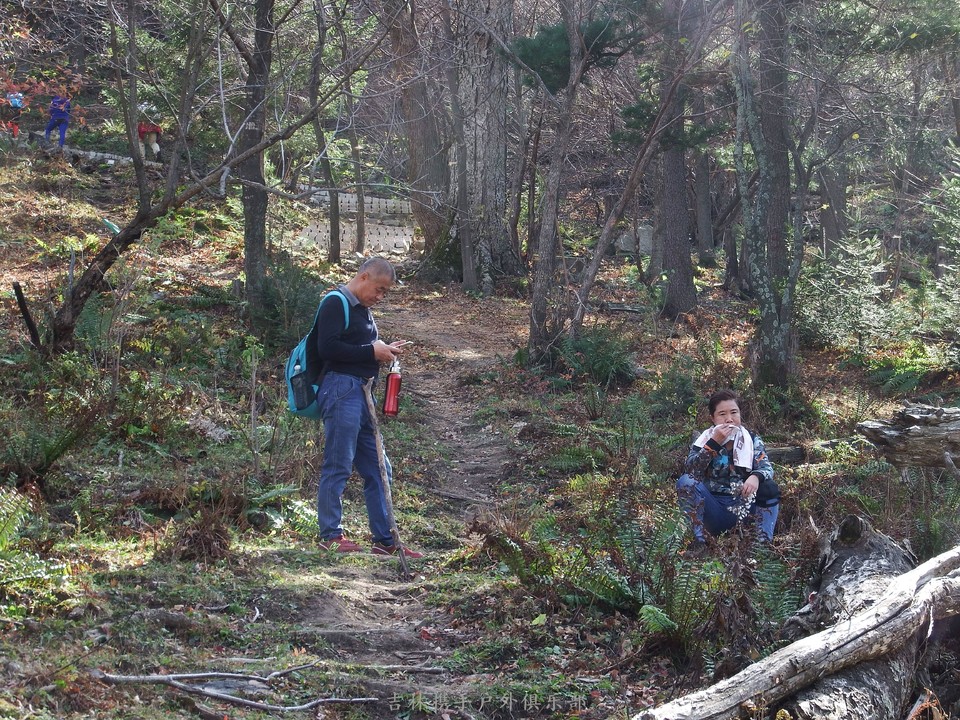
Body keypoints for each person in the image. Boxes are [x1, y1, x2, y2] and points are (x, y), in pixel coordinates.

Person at [314, 257, 423, 558]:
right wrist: (370, 350)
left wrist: (382, 349)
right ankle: (330, 535)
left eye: (385, 292)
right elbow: (328, 348)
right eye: (379, 289)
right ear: (363, 277)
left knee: (379, 466)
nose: (380, 297)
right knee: (338, 461)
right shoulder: (335, 303)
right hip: (340, 390)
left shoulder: (364, 311)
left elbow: (360, 348)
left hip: (363, 393)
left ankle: (385, 540)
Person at [676, 389, 780, 548]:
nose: (729, 419)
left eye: (734, 412)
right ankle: (699, 542)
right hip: (713, 511)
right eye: (722, 414)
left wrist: (756, 476)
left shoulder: (751, 439)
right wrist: (713, 444)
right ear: (713, 418)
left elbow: (766, 466)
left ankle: (763, 545)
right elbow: (691, 470)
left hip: (744, 508)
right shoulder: (704, 439)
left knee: (769, 487)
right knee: (685, 482)